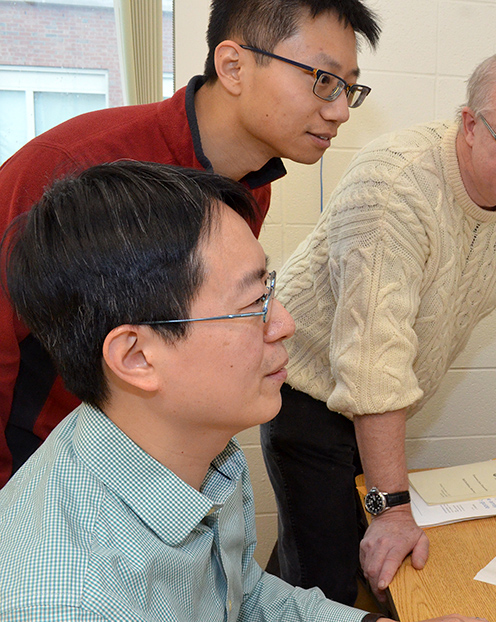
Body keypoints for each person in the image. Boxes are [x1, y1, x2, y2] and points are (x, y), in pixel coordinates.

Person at [0, 161, 496, 622]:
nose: (285, 323)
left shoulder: (198, 446)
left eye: (271, 289)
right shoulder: (68, 618)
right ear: (136, 357)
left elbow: (238, 598)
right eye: (252, 304)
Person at [264, 48, 496, 606]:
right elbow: (372, 360)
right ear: (468, 124)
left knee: (316, 563)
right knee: (331, 586)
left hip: (377, 407)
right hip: (306, 393)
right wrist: (393, 510)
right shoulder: (396, 184)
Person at [0, 0, 380, 488]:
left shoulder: (250, 184)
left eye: (348, 87)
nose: (341, 110)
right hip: (42, 455)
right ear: (233, 66)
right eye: (323, 80)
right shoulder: (76, 163)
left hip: (148, 453)